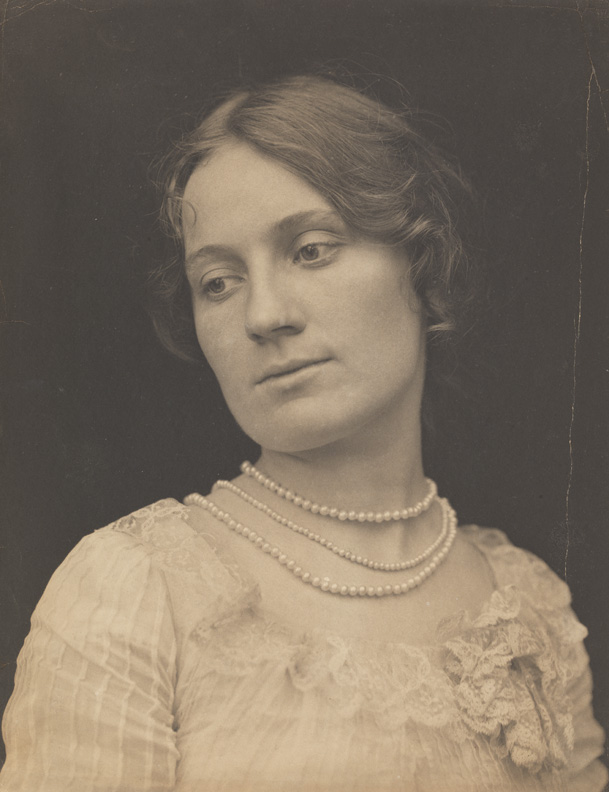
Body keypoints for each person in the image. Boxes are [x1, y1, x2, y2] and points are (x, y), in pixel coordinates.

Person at [0, 74, 606, 792]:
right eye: (218, 282)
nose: (264, 314)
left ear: (420, 258)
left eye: (311, 249)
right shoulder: (135, 589)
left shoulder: (528, 602)